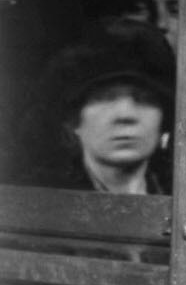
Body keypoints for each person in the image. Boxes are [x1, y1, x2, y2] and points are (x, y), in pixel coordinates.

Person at [36, 17, 175, 195]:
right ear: (72, 121)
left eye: (144, 99)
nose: (126, 115)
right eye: (105, 98)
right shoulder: (40, 199)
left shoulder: (180, 196)